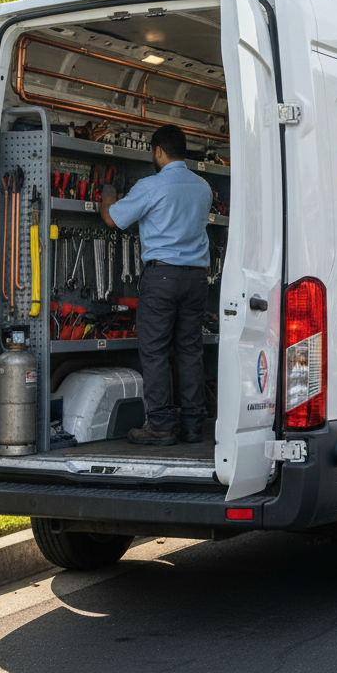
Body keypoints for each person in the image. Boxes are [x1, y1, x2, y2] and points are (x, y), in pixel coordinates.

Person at [100, 125, 212, 446]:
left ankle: (161, 425)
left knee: (155, 352)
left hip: (162, 278)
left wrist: (108, 194)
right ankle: (193, 425)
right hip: (196, 278)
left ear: (158, 151)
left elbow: (112, 218)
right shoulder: (203, 187)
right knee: (190, 351)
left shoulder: (151, 186)